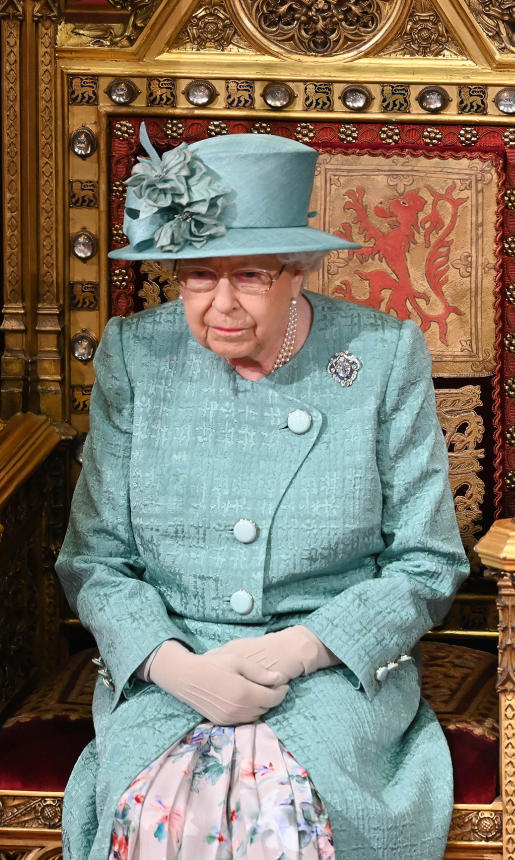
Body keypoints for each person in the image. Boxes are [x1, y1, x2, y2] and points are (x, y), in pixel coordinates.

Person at [56, 126, 470, 859]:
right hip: (174, 666)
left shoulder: (377, 355)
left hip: (329, 672)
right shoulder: (136, 354)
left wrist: (301, 650)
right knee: (170, 810)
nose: (220, 305)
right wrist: (169, 664)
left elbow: (426, 561)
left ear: (296, 271)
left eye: (248, 276)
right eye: (196, 277)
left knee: (277, 811)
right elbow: (96, 561)